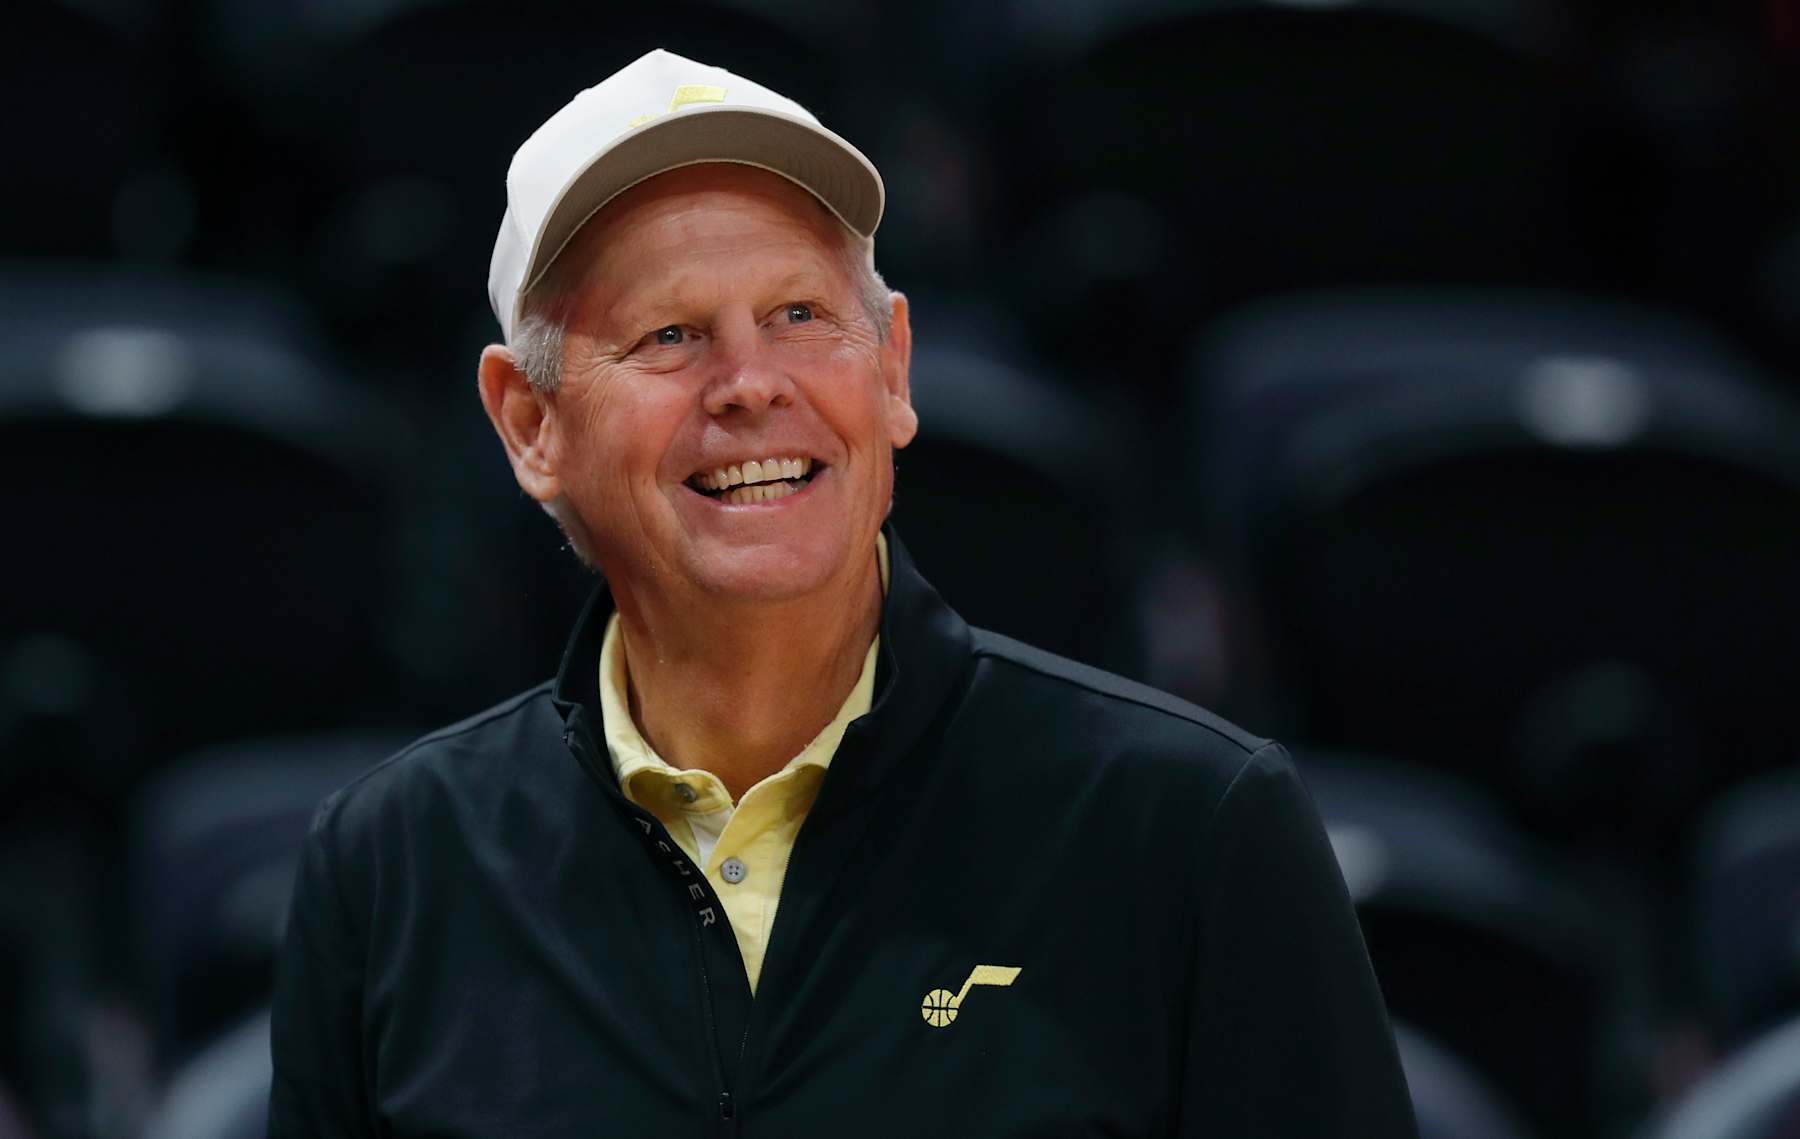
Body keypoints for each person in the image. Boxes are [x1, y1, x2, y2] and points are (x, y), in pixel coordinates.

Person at [268, 48, 1417, 1137]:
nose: (752, 383)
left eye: (800, 316)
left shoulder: (1192, 828)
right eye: (670, 334)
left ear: (895, 367)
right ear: (530, 423)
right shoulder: (391, 869)